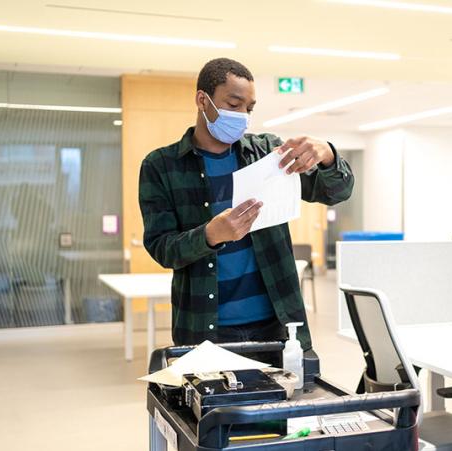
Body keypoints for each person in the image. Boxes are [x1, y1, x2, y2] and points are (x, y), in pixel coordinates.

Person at [139, 57, 353, 352]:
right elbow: (162, 248)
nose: (242, 115)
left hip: (279, 327)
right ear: (203, 100)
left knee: (292, 398)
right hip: (205, 329)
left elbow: (335, 192)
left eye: (249, 108)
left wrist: (327, 155)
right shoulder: (161, 166)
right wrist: (211, 235)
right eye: (233, 104)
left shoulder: (267, 153)